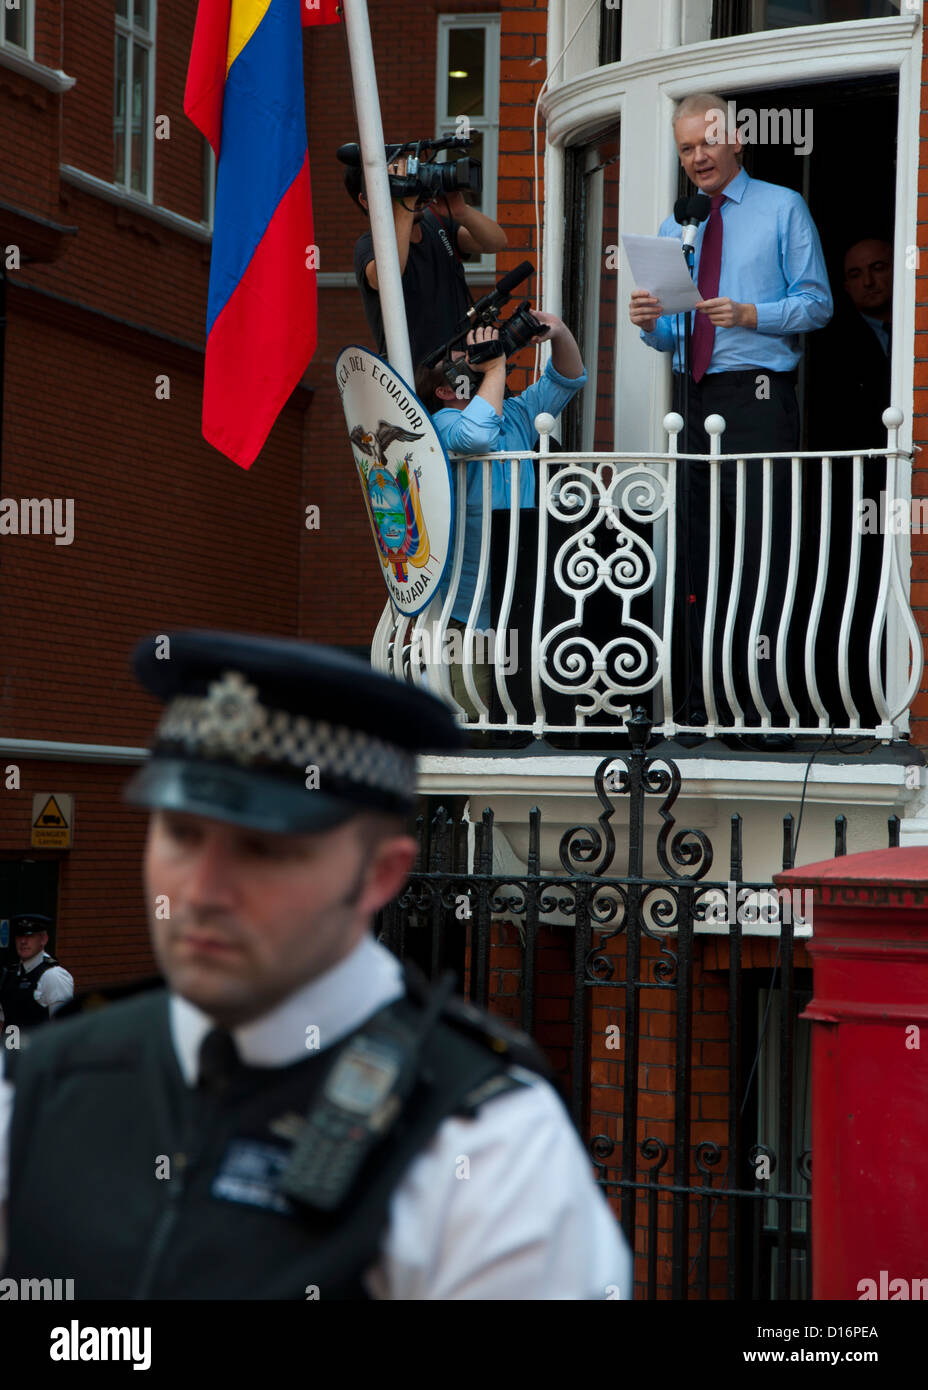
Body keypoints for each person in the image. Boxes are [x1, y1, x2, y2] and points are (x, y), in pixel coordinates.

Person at [0, 631, 630, 1299]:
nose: (203, 890)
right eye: (182, 834)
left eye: (265, 849)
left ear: (380, 875)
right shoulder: (39, 1085)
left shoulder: (485, 1151)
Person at [628, 92, 833, 744]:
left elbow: (817, 305)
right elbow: (669, 336)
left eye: (706, 143)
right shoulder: (675, 225)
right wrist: (648, 324)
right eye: (686, 148)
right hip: (692, 397)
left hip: (759, 397)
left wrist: (750, 314)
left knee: (761, 551)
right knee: (696, 554)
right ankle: (694, 706)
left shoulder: (781, 207)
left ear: (736, 138)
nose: (696, 158)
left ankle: (762, 711)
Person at [415, 316, 586, 725]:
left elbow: (569, 378)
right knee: (470, 710)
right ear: (443, 389)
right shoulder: (441, 421)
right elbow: (477, 436)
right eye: (465, 364)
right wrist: (493, 369)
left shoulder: (516, 412)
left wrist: (559, 332)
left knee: (520, 704)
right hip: (469, 599)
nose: (479, 363)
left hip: (522, 583)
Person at [347, 151, 508, 368]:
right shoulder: (369, 245)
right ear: (367, 200)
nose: (413, 186)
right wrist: (405, 206)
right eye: (399, 180)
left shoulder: (436, 224)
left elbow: (496, 243)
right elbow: (386, 278)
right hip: (415, 382)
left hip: (460, 371)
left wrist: (461, 212)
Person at [0, 914, 73, 1028]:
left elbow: (64, 1026)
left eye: (30, 936)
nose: (23, 941)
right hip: (12, 1045)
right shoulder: (10, 975)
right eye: (20, 936)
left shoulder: (53, 976)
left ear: (43, 940)